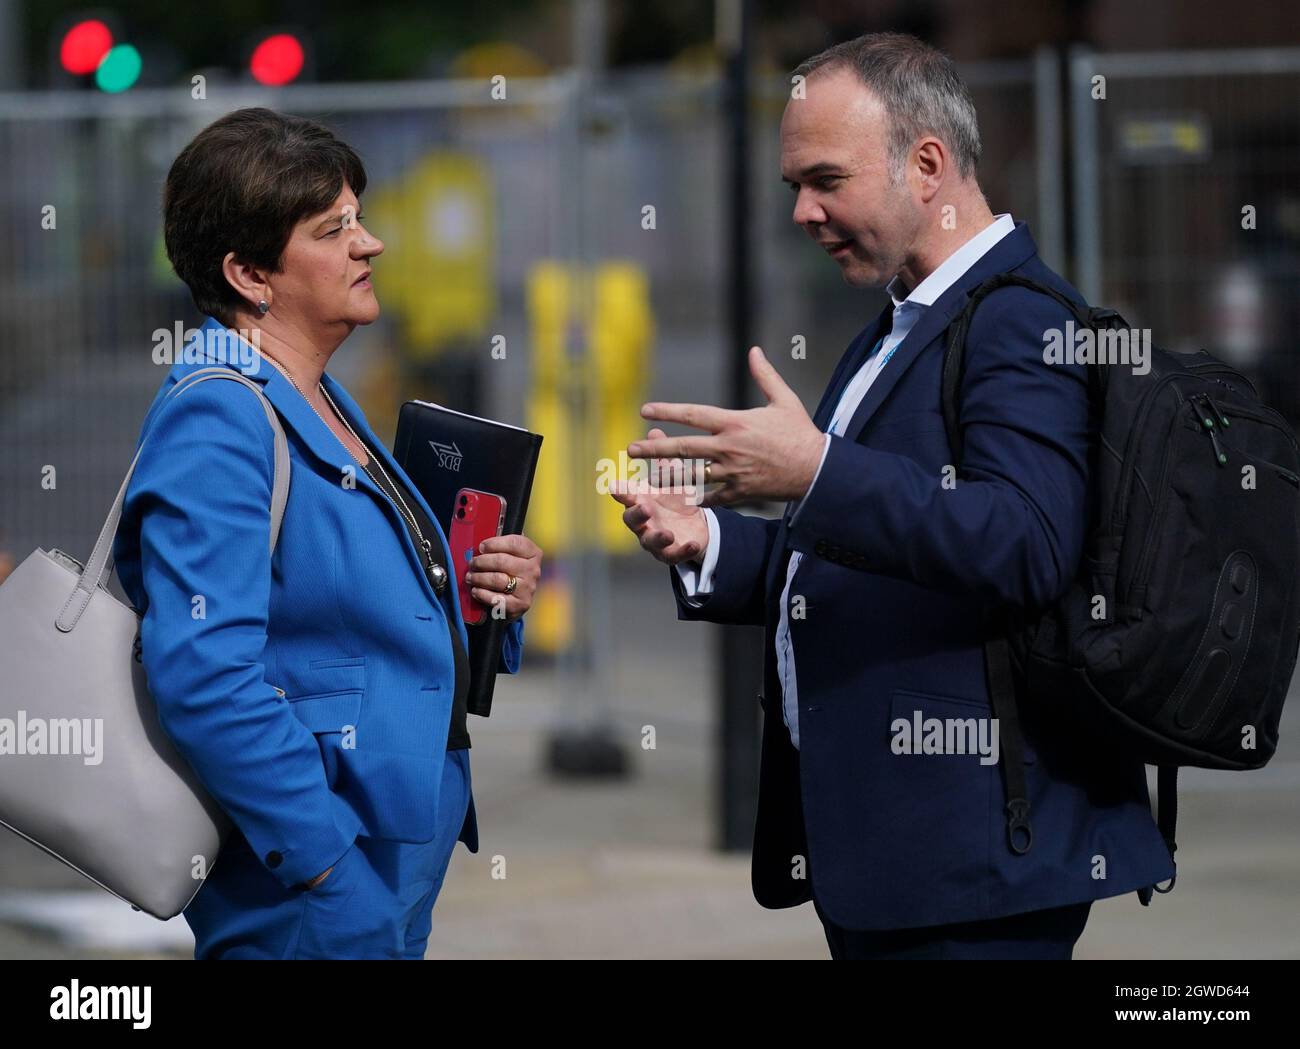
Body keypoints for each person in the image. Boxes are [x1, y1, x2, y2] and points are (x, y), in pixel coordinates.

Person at [612, 32, 1173, 960]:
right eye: (794, 184)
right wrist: (710, 540)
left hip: (974, 874)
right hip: (895, 863)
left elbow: (1027, 539)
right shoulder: (905, 326)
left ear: (926, 165)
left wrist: (816, 472)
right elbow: (861, 563)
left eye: (826, 179)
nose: (803, 210)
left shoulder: (1020, 321)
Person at [113, 107, 543, 959]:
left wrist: (489, 590)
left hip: (382, 858)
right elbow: (202, 671)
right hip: (312, 886)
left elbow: (356, 597)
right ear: (249, 273)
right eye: (333, 227)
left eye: (359, 216)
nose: (370, 242)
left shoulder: (312, 388)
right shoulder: (220, 415)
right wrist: (324, 868)